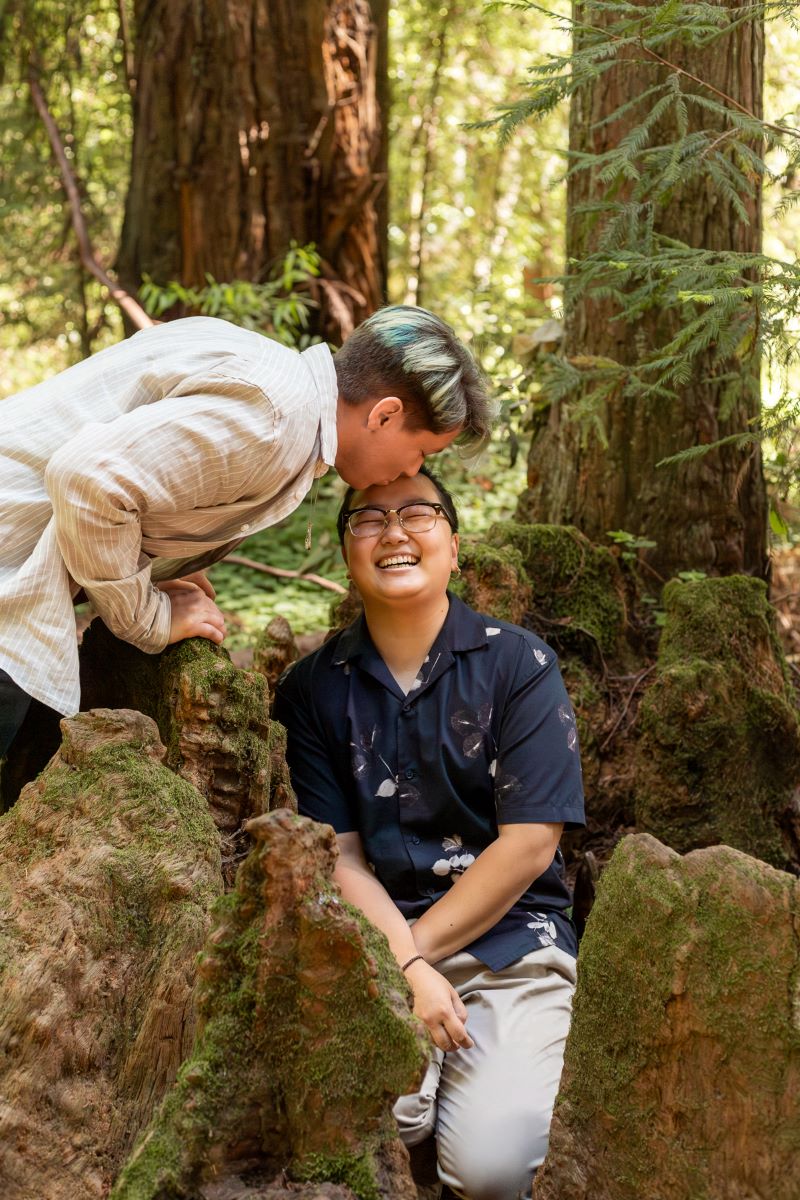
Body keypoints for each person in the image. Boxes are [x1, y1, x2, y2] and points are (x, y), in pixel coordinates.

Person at [273, 467, 585, 1200]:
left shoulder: (520, 665)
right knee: (366, 1136)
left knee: (494, 1169)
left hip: (511, 948)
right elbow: (337, 855)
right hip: (367, 950)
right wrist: (404, 972)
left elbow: (530, 843)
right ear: (347, 551)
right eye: (369, 518)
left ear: (452, 543)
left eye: (418, 513)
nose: (394, 531)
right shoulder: (311, 690)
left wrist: (411, 961)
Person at [0, 306, 491, 757]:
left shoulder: (268, 372)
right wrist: (146, 618)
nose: (412, 471)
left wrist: (143, 574)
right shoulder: (276, 420)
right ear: (384, 415)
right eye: (423, 451)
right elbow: (87, 479)